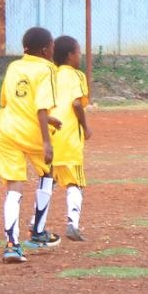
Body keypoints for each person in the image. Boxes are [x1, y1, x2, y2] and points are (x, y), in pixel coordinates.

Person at [0, 27, 60, 263]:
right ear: (45, 50)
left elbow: (9, 101)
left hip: (8, 132)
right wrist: (46, 141)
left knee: (14, 186)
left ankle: (12, 245)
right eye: (52, 45)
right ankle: (38, 231)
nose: (54, 49)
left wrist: (48, 119)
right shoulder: (47, 69)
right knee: (50, 173)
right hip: (33, 135)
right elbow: (41, 107)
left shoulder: (13, 67)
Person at [49, 35, 92, 241]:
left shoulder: (50, 75)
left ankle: (35, 222)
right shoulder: (77, 76)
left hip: (49, 134)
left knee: (49, 179)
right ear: (69, 56)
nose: (80, 56)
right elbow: (76, 104)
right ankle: (72, 224)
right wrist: (86, 126)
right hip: (68, 137)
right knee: (76, 182)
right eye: (78, 52)